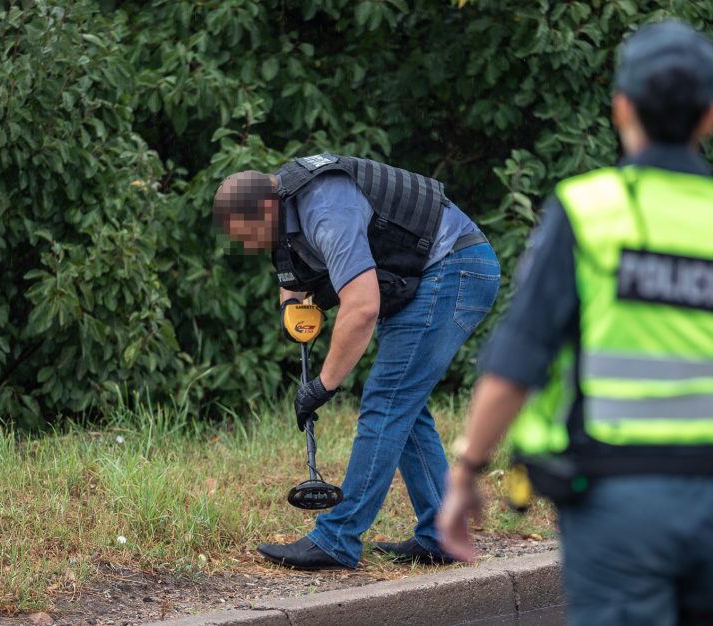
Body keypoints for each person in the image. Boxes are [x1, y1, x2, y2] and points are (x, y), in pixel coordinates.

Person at [436, 20, 713, 626]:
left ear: (622, 107)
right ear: (711, 117)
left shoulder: (586, 212)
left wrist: (467, 469)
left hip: (615, 508)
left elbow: (519, 359)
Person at [213, 154, 500, 569]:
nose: (243, 245)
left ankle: (337, 539)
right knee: (404, 406)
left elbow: (362, 307)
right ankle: (443, 533)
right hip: (428, 275)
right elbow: (291, 276)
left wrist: (323, 385)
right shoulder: (284, 206)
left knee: (385, 401)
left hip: (454, 268)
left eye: (245, 234)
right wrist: (290, 309)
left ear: (264, 209)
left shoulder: (327, 210)